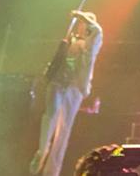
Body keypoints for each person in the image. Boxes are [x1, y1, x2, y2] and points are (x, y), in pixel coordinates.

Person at [31, 10, 103, 176]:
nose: (81, 26)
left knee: (63, 130)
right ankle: (42, 151)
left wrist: (79, 15)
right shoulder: (69, 40)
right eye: (81, 24)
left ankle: (52, 171)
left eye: (84, 24)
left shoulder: (93, 43)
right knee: (50, 115)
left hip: (74, 88)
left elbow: (97, 29)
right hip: (58, 83)